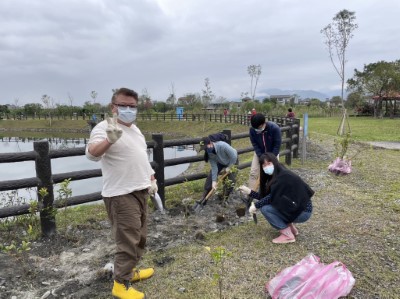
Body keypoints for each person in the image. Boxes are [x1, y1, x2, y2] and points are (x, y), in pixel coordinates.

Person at [86, 88, 157, 299]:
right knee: (127, 239)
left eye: (132, 106)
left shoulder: (135, 129)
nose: (128, 110)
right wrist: (110, 140)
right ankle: (120, 284)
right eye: (123, 105)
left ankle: (129, 272)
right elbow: (91, 154)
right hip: (120, 194)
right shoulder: (104, 128)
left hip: (140, 190)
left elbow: (140, 157)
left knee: (140, 237)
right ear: (113, 107)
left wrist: (151, 177)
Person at [239, 152, 314, 244]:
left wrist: (256, 205)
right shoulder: (273, 177)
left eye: (269, 163)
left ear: (274, 162)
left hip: (303, 211)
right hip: (296, 207)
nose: (266, 167)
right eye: (264, 165)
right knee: (271, 204)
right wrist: (249, 192)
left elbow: (271, 197)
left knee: (265, 209)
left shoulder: (283, 176)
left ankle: (288, 235)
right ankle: (291, 229)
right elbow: (266, 197)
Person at [248, 113, 282, 191]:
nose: (257, 130)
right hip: (259, 153)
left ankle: (271, 192)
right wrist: (261, 156)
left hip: (273, 153)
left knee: (273, 173)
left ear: (264, 123)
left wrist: (271, 159)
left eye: (259, 128)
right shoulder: (252, 130)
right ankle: (250, 194)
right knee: (253, 172)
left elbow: (277, 145)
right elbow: (255, 144)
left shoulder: (274, 128)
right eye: (255, 128)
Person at [200, 134, 238, 203]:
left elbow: (234, 156)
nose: (206, 149)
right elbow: (214, 167)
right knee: (211, 177)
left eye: (206, 147)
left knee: (230, 180)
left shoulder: (222, 146)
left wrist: (229, 167)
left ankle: (224, 198)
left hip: (232, 161)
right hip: (221, 162)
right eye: (204, 149)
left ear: (211, 143)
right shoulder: (209, 153)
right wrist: (214, 181)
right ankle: (204, 198)